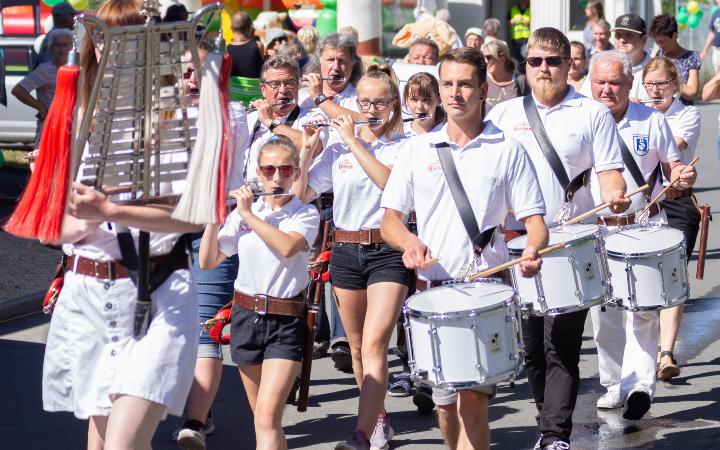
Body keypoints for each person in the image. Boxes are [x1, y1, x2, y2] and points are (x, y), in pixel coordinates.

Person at [41, 1, 203, 449]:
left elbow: (192, 217)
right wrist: (60, 201)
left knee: (122, 445)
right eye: (102, 42)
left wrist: (108, 211)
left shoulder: (180, 119)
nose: (112, 53)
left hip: (159, 294)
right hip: (88, 298)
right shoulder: (74, 120)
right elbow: (55, 231)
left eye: (126, 41)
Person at [381, 46, 548, 450]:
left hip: (485, 291)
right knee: (445, 405)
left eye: (465, 84)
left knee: (473, 398)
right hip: (433, 292)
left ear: (483, 89)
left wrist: (532, 252)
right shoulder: (417, 150)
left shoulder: (507, 149)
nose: (455, 93)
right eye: (448, 84)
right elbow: (390, 221)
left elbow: (535, 223)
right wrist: (409, 242)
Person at [487, 28, 630, 450]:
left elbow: (608, 171)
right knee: (530, 346)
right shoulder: (502, 115)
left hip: (569, 243)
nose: (544, 69)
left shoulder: (592, 114)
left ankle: (555, 434)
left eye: (553, 61)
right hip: (515, 245)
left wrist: (615, 196)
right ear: (525, 65)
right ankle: (547, 415)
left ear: (570, 64)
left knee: (561, 343)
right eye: (536, 61)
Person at [294, 65, 411, 450]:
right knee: (358, 347)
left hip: (387, 250)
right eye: (364, 102)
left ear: (394, 105)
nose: (371, 108)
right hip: (345, 249)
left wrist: (354, 140)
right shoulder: (340, 146)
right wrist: (308, 153)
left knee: (376, 343)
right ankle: (376, 419)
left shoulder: (403, 145)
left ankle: (364, 432)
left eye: (379, 102)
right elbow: (303, 193)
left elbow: (389, 183)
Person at [587, 50, 696, 421]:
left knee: (644, 310)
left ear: (629, 85)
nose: (606, 89)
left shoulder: (651, 120)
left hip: (645, 225)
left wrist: (682, 177)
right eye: (600, 81)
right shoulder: (582, 120)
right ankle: (613, 383)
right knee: (604, 315)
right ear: (590, 82)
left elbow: (673, 167)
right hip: (598, 231)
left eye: (615, 82)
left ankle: (639, 386)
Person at [200, 136, 319, 450]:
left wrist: (248, 215)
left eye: (284, 170)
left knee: (266, 419)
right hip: (245, 317)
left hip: (286, 320)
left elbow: (287, 246)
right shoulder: (242, 214)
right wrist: (215, 219)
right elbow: (208, 260)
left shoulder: (304, 213)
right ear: (259, 172)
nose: (276, 177)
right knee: (263, 421)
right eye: (269, 170)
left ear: (295, 173)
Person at [644, 56, 702, 382]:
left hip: (677, 203)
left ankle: (665, 351)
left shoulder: (687, 114)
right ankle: (648, 347)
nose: (655, 90)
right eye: (649, 84)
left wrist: (643, 119)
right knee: (646, 279)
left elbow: (672, 151)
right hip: (644, 205)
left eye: (661, 84)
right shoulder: (636, 114)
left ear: (675, 86)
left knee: (673, 276)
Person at [12, 29, 73, 148]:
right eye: (57, 45)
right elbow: (18, 90)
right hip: (50, 125)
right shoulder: (45, 69)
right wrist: (40, 107)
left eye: (65, 45)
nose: (62, 49)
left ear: (72, 46)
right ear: (51, 48)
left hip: (71, 126)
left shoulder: (77, 69)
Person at [301, 32, 363, 120]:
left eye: (341, 60)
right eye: (330, 60)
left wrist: (319, 98)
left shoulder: (361, 98)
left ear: (353, 63)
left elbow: (364, 123)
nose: (336, 67)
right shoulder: (303, 96)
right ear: (320, 62)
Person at [650, 14, 700, 105]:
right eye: (657, 41)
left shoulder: (690, 58)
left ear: (675, 36)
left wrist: (672, 82)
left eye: (662, 41)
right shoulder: (656, 55)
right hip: (659, 112)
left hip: (683, 113)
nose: (659, 45)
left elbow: (692, 92)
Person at [481, 39, 528, 112]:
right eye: (483, 57)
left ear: (502, 59)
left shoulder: (520, 80)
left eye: (489, 57)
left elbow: (528, 108)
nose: (485, 61)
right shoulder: (483, 79)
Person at [35, 2, 78, 68]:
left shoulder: (55, 35)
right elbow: (51, 69)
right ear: (63, 17)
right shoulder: (57, 38)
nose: (73, 19)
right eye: (71, 15)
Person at [403, 72, 446, 137]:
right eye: (414, 100)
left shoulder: (447, 131)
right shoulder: (399, 134)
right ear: (406, 101)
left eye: (426, 100)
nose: (419, 106)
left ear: (439, 100)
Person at [227, 11, 265, 78]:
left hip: (233, 88)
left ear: (231, 28)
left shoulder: (226, 49)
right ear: (250, 27)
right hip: (254, 88)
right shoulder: (258, 46)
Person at [699, 0, 720, 72]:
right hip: (716, 49)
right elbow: (712, 33)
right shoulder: (716, 13)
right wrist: (705, 50)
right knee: (717, 73)